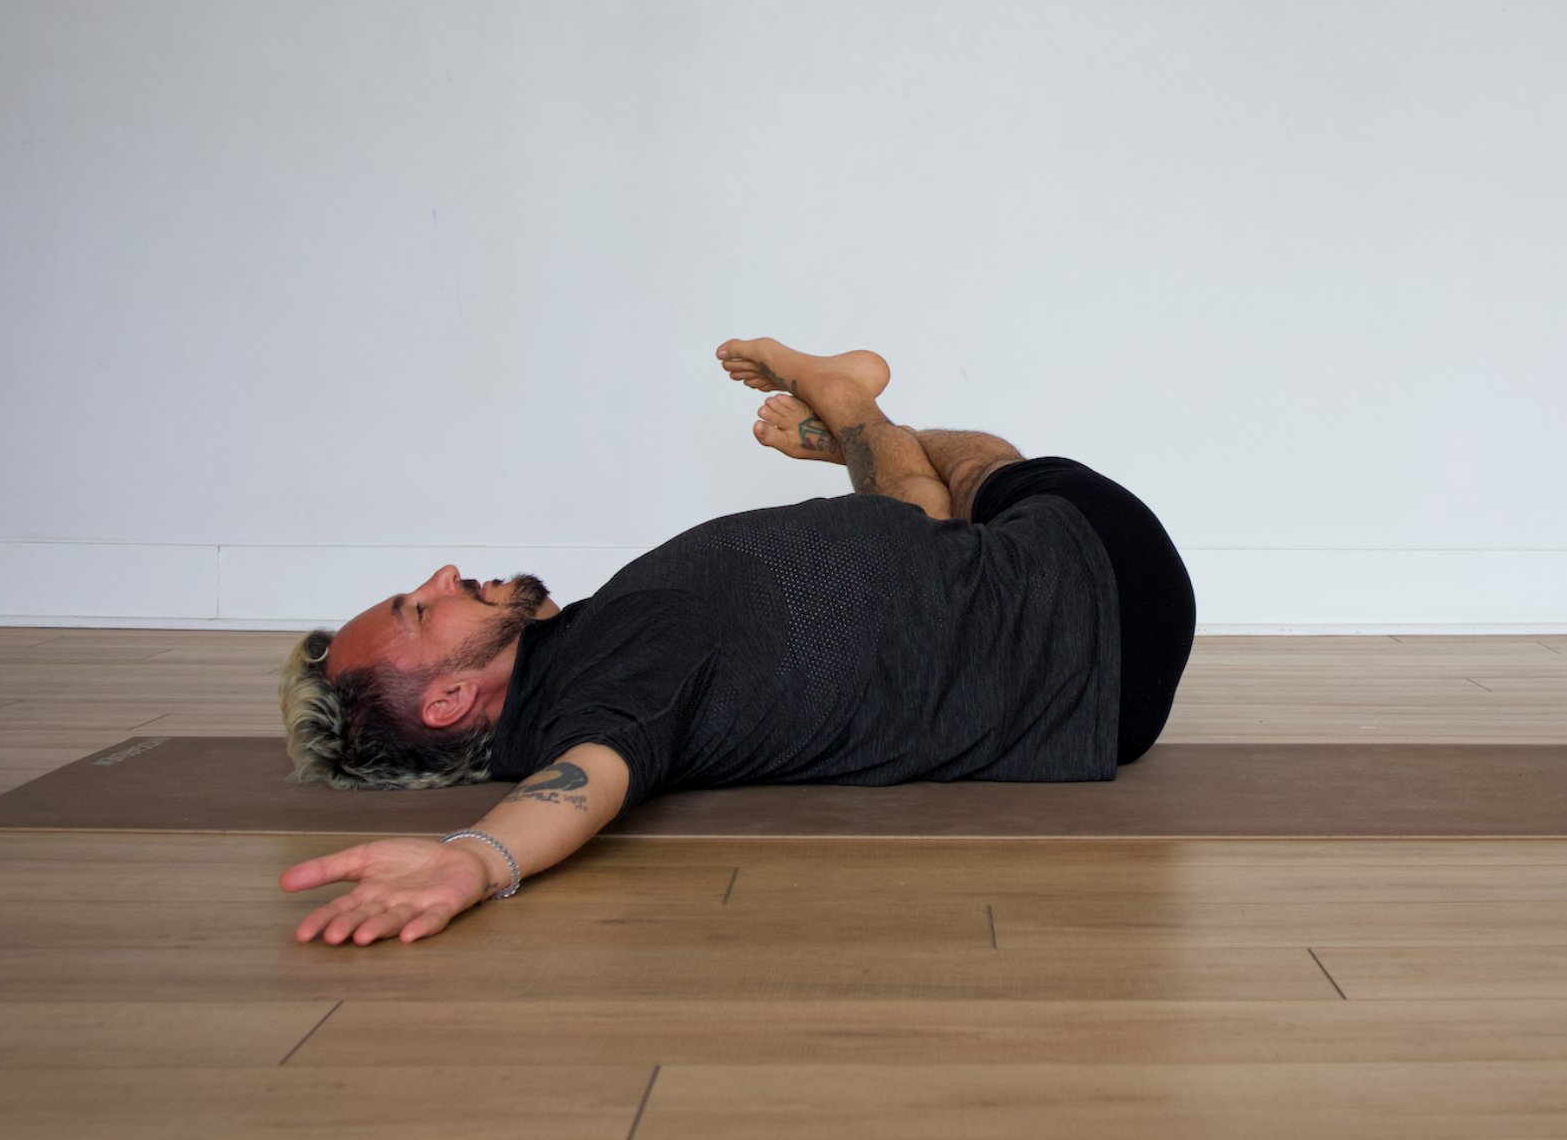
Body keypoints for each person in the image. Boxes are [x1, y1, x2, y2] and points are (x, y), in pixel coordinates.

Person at [274, 338, 1195, 946]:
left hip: (1008, 610)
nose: (443, 575)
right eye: (421, 611)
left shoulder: (584, 645)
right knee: (986, 461)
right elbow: (588, 777)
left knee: (917, 512)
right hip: (1095, 602)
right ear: (447, 701)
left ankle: (855, 418)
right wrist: (477, 857)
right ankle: (857, 418)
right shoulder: (602, 686)